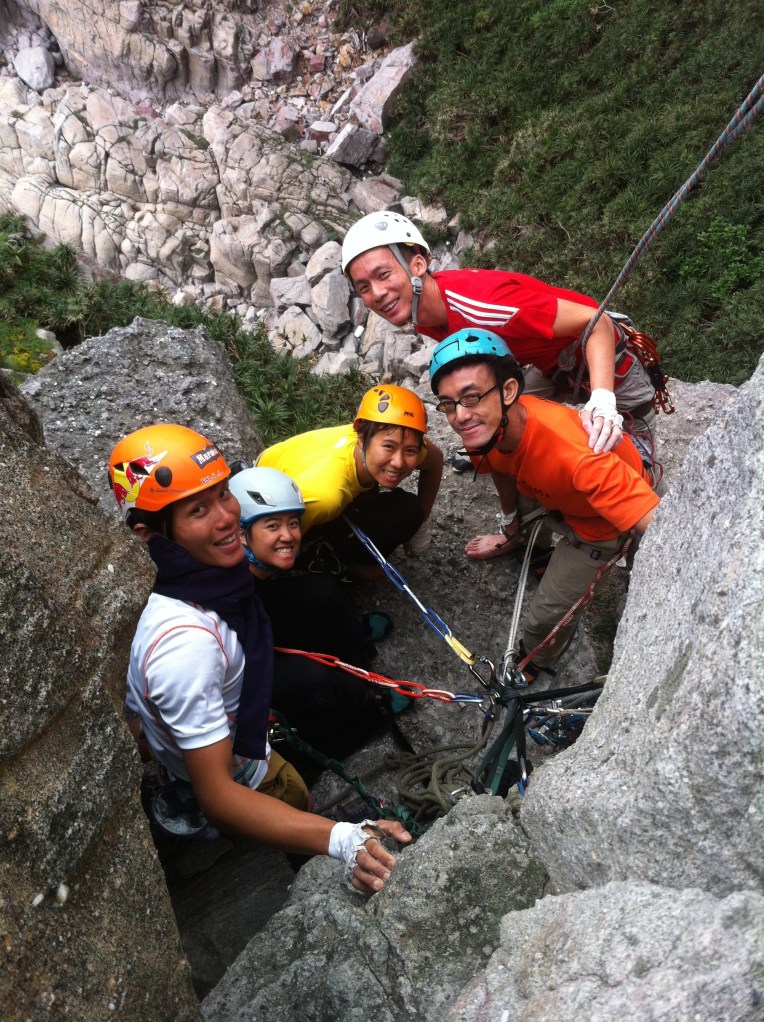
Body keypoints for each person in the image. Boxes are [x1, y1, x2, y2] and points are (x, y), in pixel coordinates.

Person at [109, 423, 409, 893]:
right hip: (247, 771)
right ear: (151, 534)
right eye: (197, 509)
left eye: (223, 493)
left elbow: (150, 707)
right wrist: (340, 839)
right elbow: (220, 798)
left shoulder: (197, 589)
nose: (228, 516)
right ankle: (307, 858)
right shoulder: (187, 646)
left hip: (213, 747)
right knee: (291, 791)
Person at [428, 328, 661, 681]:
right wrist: (510, 525)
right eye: (448, 404)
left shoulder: (576, 457)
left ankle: (533, 660)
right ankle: (534, 553)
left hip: (597, 527)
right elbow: (501, 471)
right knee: (525, 507)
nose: (459, 415)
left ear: (508, 391)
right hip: (556, 495)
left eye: (471, 397)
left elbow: (660, 525)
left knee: (545, 617)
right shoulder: (484, 431)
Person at [341, 210, 660, 456]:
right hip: (554, 365)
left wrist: (604, 401)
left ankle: (641, 433)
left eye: (383, 274)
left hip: (602, 355)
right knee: (501, 423)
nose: (377, 294)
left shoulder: (482, 305)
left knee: (631, 451)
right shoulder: (423, 311)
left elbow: (597, 323)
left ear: (418, 265)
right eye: (364, 287)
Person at [228, 465, 391, 780]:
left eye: (292, 523)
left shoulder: (250, 571)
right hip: (240, 677)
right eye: (272, 526)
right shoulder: (231, 588)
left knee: (322, 592)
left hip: (257, 622)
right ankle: (357, 717)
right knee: (314, 680)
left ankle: (356, 654)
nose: (288, 535)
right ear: (241, 535)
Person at [257, 384, 444, 580]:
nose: (399, 462)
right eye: (389, 447)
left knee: (409, 510)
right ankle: (326, 559)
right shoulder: (325, 495)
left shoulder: (389, 434)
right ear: (361, 440)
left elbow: (435, 461)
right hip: (282, 506)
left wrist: (421, 525)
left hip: (302, 484)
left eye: (410, 451)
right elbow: (268, 544)